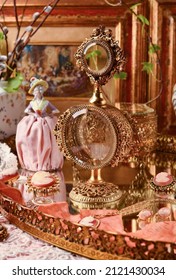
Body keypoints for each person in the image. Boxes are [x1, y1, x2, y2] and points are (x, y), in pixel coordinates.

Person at [16, 77, 63, 171]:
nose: (38, 91)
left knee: (50, 135)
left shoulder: (46, 102)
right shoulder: (32, 103)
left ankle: (49, 162)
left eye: (40, 89)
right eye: (36, 90)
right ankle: (32, 162)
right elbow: (27, 110)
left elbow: (55, 110)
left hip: (45, 120)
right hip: (35, 120)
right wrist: (33, 114)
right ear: (33, 92)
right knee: (29, 134)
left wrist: (50, 114)